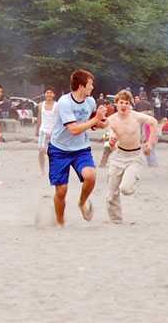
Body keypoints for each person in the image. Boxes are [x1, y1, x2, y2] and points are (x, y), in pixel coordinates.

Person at [47, 70, 107, 227]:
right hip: (59, 149)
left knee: (91, 175)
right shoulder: (64, 102)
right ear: (81, 86)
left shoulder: (90, 102)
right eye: (90, 84)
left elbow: (90, 122)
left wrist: (99, 123)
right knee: (62, 191)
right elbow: (73, 129)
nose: (92, 88)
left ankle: (82, 202)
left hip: (81, 148)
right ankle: (60, 223)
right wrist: (95, 119)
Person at [104, 90, 158, 223]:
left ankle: (132, 181)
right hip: (118, 155)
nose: (123, 106)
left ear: (130, 105)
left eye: (126, 103)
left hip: (134, 156)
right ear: (116, 104)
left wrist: (149, 142)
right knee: (111, 193)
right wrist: (111, 140)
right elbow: (111, 134)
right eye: (121, 103)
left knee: (125, 189)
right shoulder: (111, 119)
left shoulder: (136, 116)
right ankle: (116, 220)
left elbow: (154, 122)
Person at [35, 87, 57, 176]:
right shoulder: (41, 105)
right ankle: (42, 169)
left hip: (53, 131)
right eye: (47, 93)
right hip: (43, 130)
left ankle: (53, 170)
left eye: (51, 93)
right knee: (41, 150)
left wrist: (53, 132)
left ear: (54, 94)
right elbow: (39, 117)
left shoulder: (57, 105)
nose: (49, 94)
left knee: (53, 153)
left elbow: (58, 120)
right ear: (44, 94)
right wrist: (37, 128)